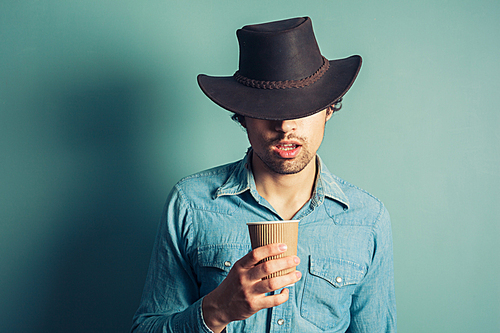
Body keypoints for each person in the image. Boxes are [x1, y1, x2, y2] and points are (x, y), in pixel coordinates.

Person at [131, 17, 396, 333]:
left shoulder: (367, 220)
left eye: (302, 106)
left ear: (328, 108)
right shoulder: (191, 204)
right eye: (267, 108)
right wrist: (215, 312)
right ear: (242, 115)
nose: (285, 126)